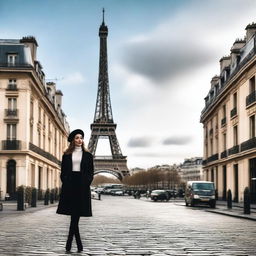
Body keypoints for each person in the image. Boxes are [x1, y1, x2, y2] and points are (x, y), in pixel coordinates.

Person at [56, 129, 94, 253]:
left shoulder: (88, 155)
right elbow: (63, 172)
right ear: (73, 140)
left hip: (82, 185)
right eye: (77, 138)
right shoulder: (66, 154)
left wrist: (86, 182)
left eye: (81, 138)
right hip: (70, 184)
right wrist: (66, 182)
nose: (79, 140)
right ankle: (78, 245)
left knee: (75, 216)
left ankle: (70, 244)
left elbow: (90, 172)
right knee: (74, 216)